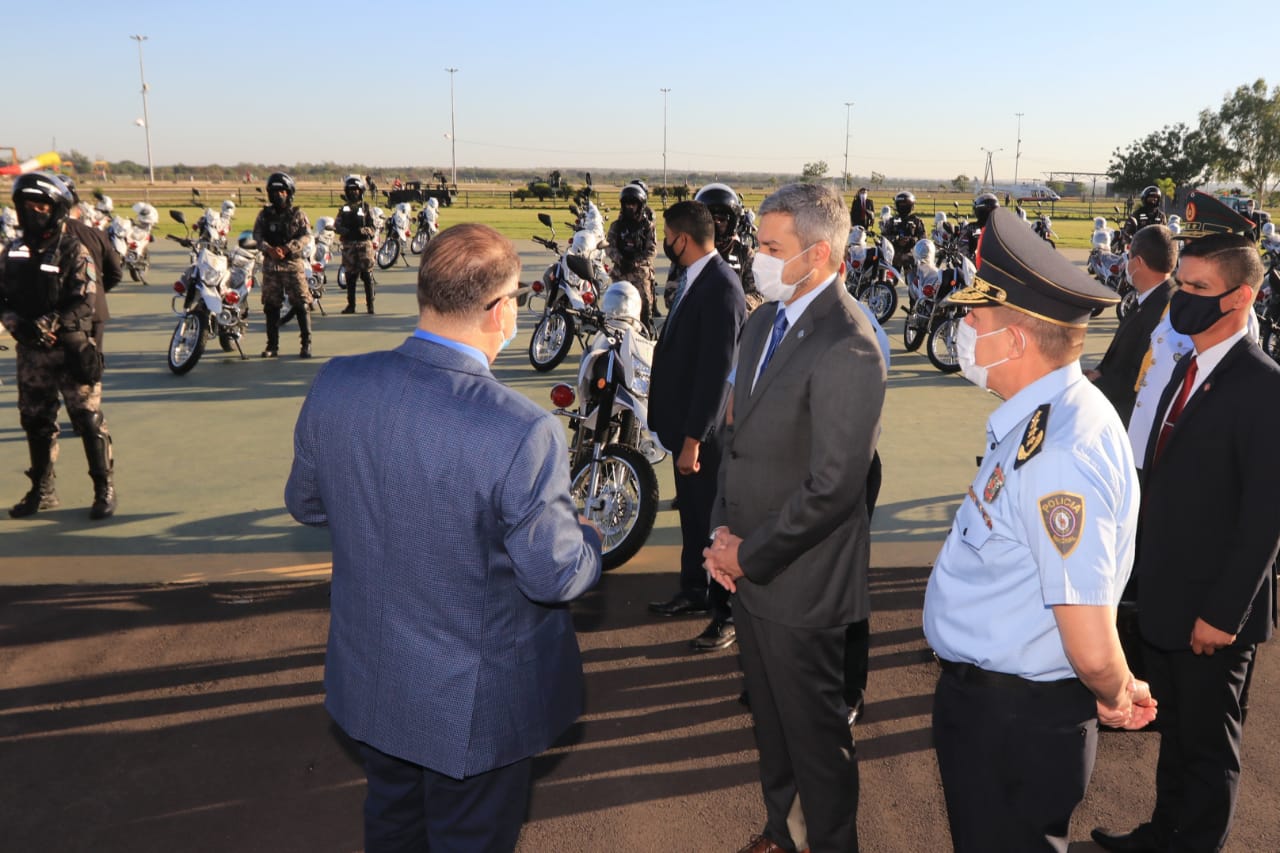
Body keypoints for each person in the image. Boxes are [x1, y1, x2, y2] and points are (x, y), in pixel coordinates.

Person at [284, 222, 602, 852]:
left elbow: (306, 504)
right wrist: (587, 541)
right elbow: (553, 574)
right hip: (472, 710)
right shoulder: (522, 430)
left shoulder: (338, 383)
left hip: (373, 681)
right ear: (502, 309)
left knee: (394, 825)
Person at [923, 207, 1156, 853]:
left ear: (1017, 341)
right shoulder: (1045, 423)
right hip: (1005, 715)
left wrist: (1115, 687)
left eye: (977, 319)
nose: (963, 327)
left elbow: (1085, 632)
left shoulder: (1057, 450)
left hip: (1013, 723)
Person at [1092, 202, 1280, 853]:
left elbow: (1265, 516)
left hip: (1212, 613)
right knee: (1176, 731)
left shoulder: (1263, 386)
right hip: (1166, 594)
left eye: (1198, 289)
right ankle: (1162, 831)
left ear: (1241, 297)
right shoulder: (1184, 365)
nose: (1183, 299)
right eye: (1182, 286)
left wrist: (1224, 613)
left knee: (1208, 746)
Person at [704, 182, 885, 853]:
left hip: (801, 582)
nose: (754, 256)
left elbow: (835, 485)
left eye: (769, 247)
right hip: (747, 570)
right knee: (774, 731)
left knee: (817, 742)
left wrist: (747, 554)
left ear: (816, 254)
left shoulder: (848, 341)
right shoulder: (760, 322)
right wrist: (722, 534)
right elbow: (737, 440)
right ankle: (784, 833)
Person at [647, 201, 746, 655]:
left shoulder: (722, 287)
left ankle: (725, 614)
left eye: (666, 235)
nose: (663, 243)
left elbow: (717, 375)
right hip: (687, 431)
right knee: (692, 515)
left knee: (714, 525)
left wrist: (693, 441)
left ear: (681, 239)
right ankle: (693, 590)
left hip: (704, 438)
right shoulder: (695, 278)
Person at [0, 172, 116, 520]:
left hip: (72, 348)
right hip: (32, 355)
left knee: (89, 420)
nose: (34, 211)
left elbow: (84, 299)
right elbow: (2, 298)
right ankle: (42, 490)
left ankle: (103, 488)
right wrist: (17, 325)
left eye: (41, 205)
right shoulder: (13, 252)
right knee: (35, 422)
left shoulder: (73, 249)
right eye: (27, 205)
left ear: (57, 209)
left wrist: (47, 324)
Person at [1086, 224, 1177, 427]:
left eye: (1128, 258)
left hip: (1132, 422)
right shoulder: (1149, 298)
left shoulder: (1166, 310)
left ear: (1138, 262)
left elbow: (1145, 377)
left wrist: (1097, 381)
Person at [252, 172, 313, 358]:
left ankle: (306, 345)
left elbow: (306, 236)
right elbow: (257, 235)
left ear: (289, 193)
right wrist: (268, 249)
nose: (279, 195)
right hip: (271, 266)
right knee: (271, 306)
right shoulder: (264, 215)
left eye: (283, 191)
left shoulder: (298, 214)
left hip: (293, 265)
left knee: (301, 304)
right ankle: (272, 346)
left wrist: (287, 248)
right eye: (275, 191)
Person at [62, 177, 122, 352]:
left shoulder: (41, 237)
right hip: (94, 310)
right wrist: (95, 290)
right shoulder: (96, 235)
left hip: (53, 316)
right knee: (91, 365)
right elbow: (115, 273)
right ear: (78, 210)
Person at [605, 182, 657, 328]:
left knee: (645, 307)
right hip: (620, 272)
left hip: (640, 274)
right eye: (627, 204)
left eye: (633, 204)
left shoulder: (648, 227)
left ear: (640, 205)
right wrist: (621, 260)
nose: (630, 207)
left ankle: (646, 335)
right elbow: (609, 246)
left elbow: (651, 250)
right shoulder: (616, 226)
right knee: (615, 306)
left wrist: (635, 263)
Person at [334, 175, 377, 315]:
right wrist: (343, 230)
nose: (354, 192)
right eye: (351, 190)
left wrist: (364, 230)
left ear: (361, 191)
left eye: (356, 190)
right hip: (349, 246)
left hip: (364, 245)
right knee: (350, 277)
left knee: (367, 276)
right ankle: (351, 305)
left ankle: (370, 305)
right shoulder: (344, 208)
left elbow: (373, 227)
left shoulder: (366, 207)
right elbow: (337, 224)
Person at [884, 191, 926, 272]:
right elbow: (884, 237)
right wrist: (896, 239)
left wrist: (911, 240)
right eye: (901, 205)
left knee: (912, 281)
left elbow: (923, 239)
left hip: (911, 257)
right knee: (890, 281)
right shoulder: (892, 221)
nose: (903, 207)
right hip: (894, 257)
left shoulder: (917, 221)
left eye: (905, 205)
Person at [960, 192, 999, 258]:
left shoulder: (970, 228)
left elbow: (961, 253)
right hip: (991, 266)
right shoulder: (999, 229)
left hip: (978, 266)